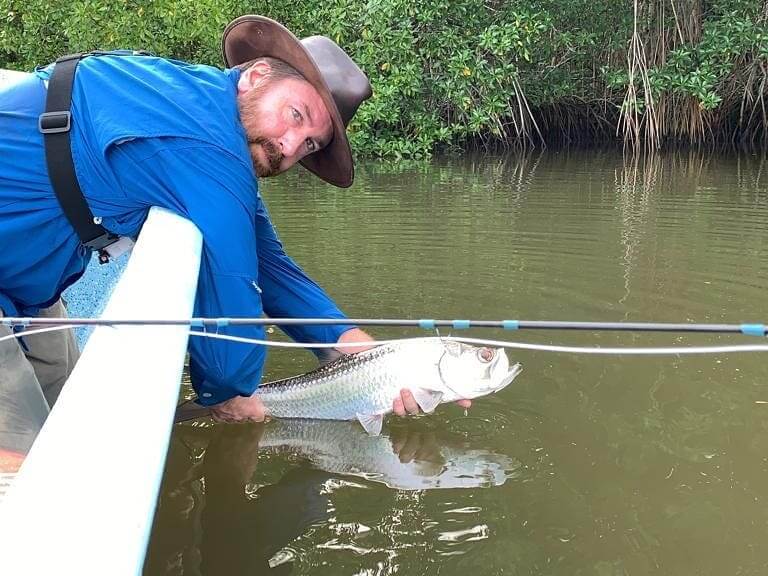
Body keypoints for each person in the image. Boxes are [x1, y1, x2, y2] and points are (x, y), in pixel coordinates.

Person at [0, 15, 470, 434]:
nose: (290, 146)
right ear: (256, 75)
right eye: (296, 115)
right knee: (20, 469)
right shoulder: (209, 148)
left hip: (26, 293)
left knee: (69, 425)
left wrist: (366, 356)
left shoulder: (206, 114)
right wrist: (230, 392)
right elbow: (231, 306)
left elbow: (269, 264)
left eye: (309, 145)